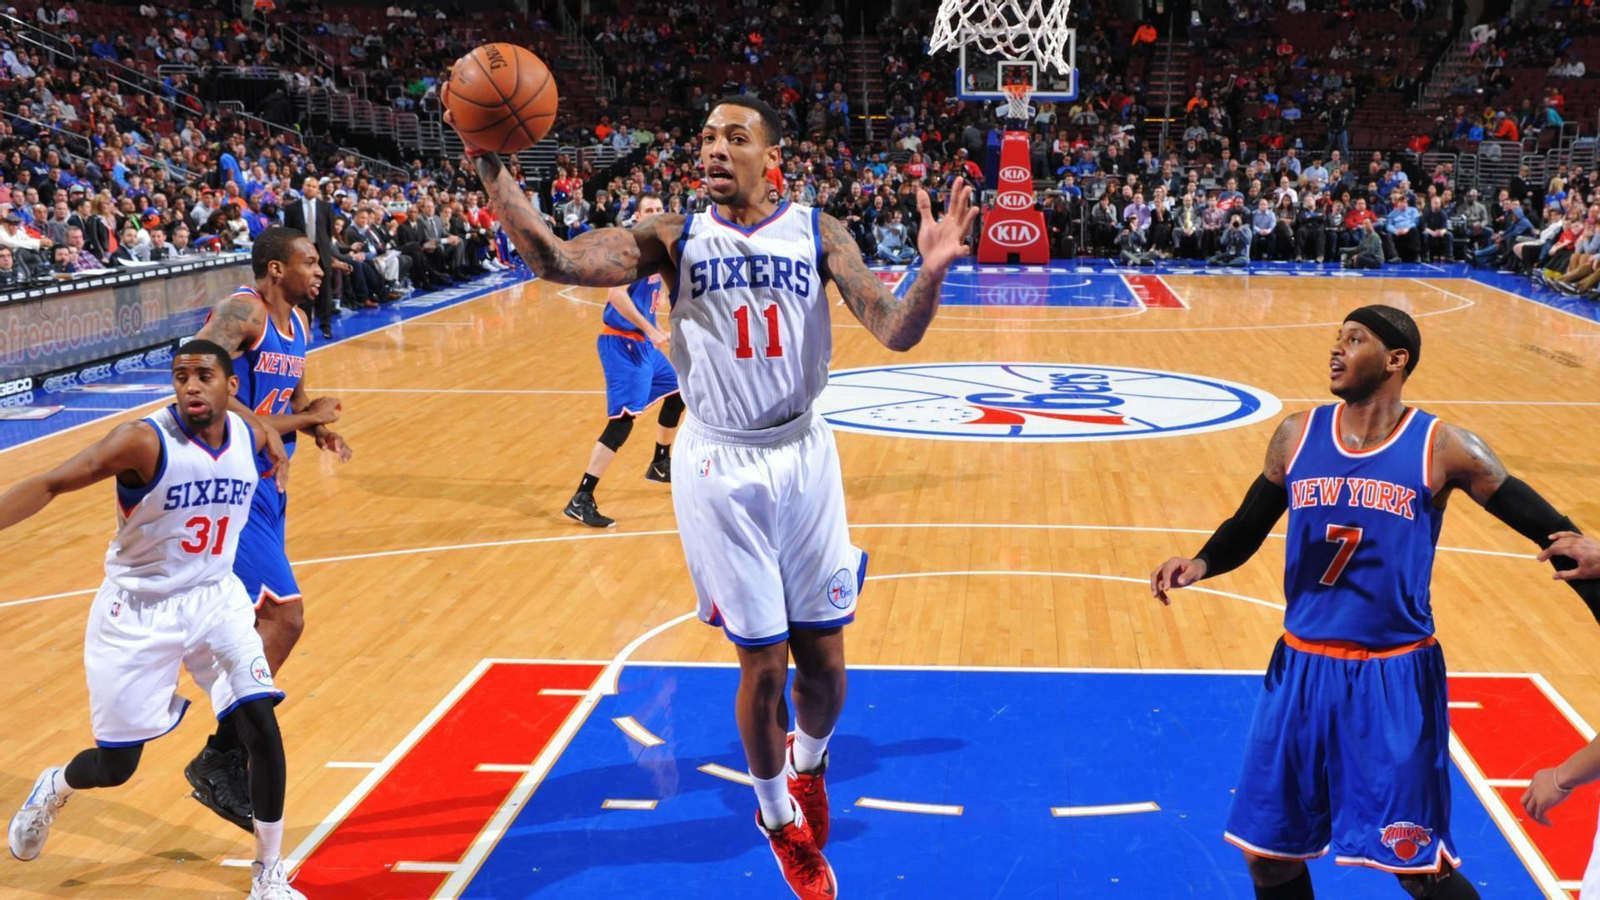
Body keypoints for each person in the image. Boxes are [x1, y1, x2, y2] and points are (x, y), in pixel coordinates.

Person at [447, 89, 976, 900]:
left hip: (805, 454)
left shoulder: (820, 232)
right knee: (763, 665)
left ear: (773, 158)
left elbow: (895, 328)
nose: (715, 149)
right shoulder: (674, 236)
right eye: (706, 138)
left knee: (826, 664)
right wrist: (491, 166)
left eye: (735, 137)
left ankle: (808, 766)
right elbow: (557, 260)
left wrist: (930, 275)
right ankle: (777, 820)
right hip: (721, 464)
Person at [1149, 305, 1600, 900]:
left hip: (1394, 677)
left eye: (1354, 339)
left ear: (1395, 359)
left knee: (1418, 868)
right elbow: (1249, 523)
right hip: (1301, 669)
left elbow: (1557, 536)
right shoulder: (1296, 435)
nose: (1336, 349)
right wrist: (1202, 562)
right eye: (1336, 338)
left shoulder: (1446, 447)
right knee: (1268, 859)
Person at [2, 340, 303, 899]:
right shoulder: (142, 440)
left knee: (260, 721)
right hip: (138, 611)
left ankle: (268, 874)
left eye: (203, 375)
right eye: (181, 376)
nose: (190, 386)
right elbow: (49, 483)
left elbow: (265, 433)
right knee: (116, 766)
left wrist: (285, 449)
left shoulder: (249, 433)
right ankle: (55, 786)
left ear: (230, 386)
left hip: (215, 599)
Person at [184, 227, 353, 831]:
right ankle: (222, 754)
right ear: (277, 268)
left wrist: (316, 426)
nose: (321, 269)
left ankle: (225, 739)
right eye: (310, 261)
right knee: (285, 616)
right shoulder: (245, 311)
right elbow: (195, 373)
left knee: (257, 618)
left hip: (271, 486)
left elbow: (292, 399)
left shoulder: (298, 324)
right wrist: (273, 424)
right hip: (232, 483)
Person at [564, 195, 683, 528]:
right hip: (622, 344)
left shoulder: (658, 252)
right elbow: (616, 296)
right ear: (638, 216)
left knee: (678, 391)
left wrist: (659, 327)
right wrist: (651, 329)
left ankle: (660, 463)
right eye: (649, 210)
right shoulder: (629, 251)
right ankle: (582, 497)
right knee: (623, 421)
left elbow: (653, 299)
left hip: (642, 343)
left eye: (659, 209)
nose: (655, 214)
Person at [282, 179, 337, 339]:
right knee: (304, 290)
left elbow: (329, 232)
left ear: (317, 189)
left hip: (322, 253)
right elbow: (288, 232)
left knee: (325, 291)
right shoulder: (292, 207)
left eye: (314, 186)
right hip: (302, 253)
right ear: (303, 187)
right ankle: (304, 326)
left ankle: (326, 326)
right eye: (308, 185)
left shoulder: (325, 207)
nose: (310, 188)